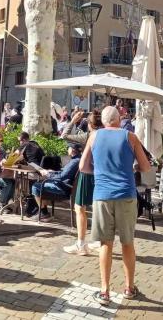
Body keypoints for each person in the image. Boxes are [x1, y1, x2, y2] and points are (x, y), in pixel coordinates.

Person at [81, 106, 151, 306]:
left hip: (102, 195)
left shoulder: (94, 136)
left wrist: (99, 171)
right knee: (128, 243)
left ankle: (105, 291)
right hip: (126, 194)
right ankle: (129, 287)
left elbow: (83, 166)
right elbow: (146, 167)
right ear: (119, 119)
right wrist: (132, 167)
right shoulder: (130, 137)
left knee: (106, 244)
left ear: (103, 121)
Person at [61, 108, 103, 256]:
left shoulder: (88, 136)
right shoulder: (106, 135)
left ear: (90, 124)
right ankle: (99, 242)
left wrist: (73, 120)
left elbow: (64, 136)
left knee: (80, 208)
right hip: (102, 175)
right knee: (98, 208)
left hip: (87, 174)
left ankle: (80, 244)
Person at [30, 143, 82, 221]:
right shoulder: (78, 160)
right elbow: (64, 173)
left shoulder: (74, 162)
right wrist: (52, 172)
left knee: (35, 187)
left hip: (63, 188)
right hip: (67, 187)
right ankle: (44, 212)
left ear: (72, 150)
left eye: (68, 148)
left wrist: (48, 174)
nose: (67, 149)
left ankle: (44, 214)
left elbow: (62, 177)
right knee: (40, 184)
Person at [0, 131, 44, 214]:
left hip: (34, 172)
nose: (20, 143)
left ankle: (24, 201)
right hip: (41, 172)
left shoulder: (25, 144)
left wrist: (7, 160)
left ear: (24, 140)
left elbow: (14, 156)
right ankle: (24, 200)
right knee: (17, 178)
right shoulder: (36, 144)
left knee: (18, 178)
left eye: (20, 141)